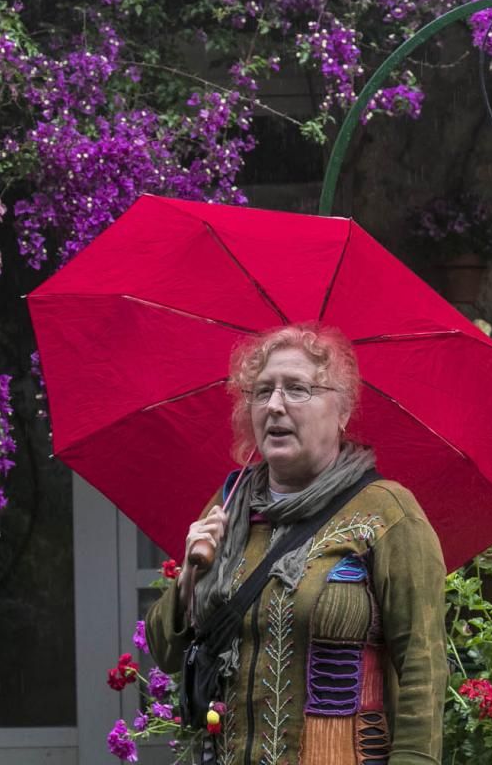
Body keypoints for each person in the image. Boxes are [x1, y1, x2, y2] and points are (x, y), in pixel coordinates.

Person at [146, 323, 447, 764]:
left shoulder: (387, 513)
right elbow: (166, 652)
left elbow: (423, 666)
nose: (275, 405)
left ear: (341, 410)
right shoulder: (231, 505)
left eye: (297, 389)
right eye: (262, 391)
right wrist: (190, 578)